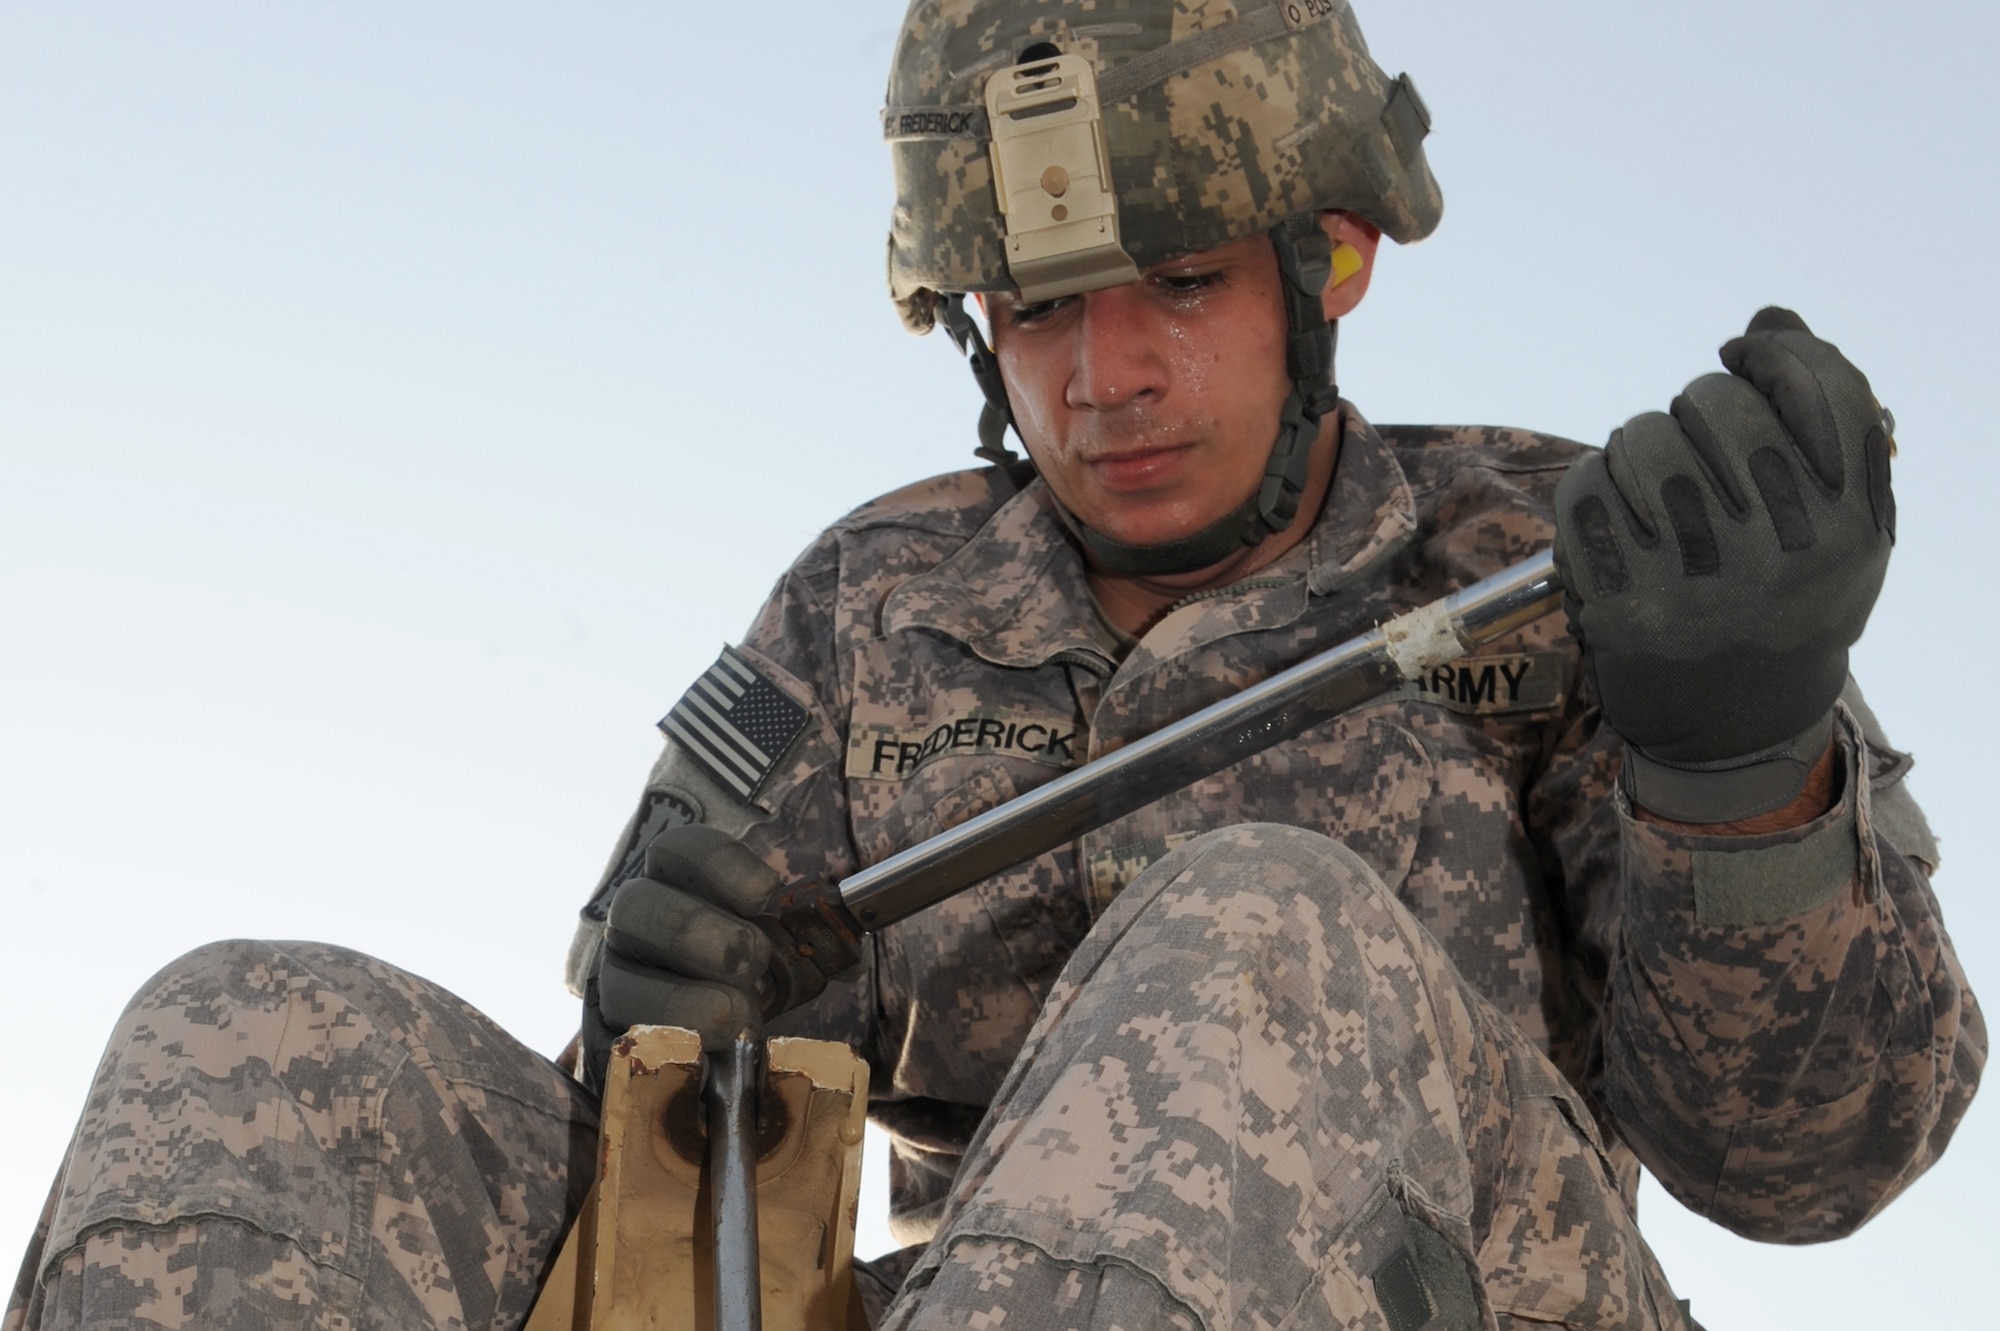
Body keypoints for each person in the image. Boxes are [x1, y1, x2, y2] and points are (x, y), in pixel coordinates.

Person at [8, 2, 1983, 1329]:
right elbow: (655, 1185)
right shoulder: (867, 600)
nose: (1100, 378)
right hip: (992, 1296)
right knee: (253, 1036)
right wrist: (654, 1024)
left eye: (1181, 287)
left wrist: (1742, 767)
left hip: (1448, 1289)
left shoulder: (1566, 569)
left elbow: (1816, 1174)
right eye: (1031, 313)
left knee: (1252, 930)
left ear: (1330, 267)